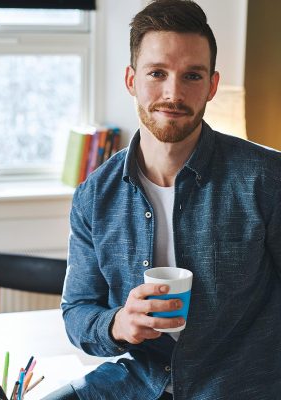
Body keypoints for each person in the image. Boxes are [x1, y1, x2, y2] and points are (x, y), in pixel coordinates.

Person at [44, 0, 281, 399]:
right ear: (131, 80)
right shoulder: (94, 195)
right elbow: (78, 311)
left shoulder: (267, 180)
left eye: (192, 75)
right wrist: (118, 323)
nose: (173, 93)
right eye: (157, 73)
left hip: (239, 386)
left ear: (212, 85)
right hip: (137, 380)